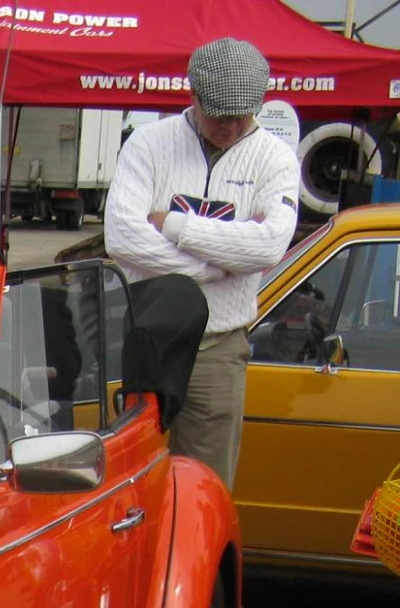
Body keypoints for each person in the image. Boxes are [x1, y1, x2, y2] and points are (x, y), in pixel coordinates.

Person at [102, 37, 299, 488]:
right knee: (132, 482)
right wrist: (219, 264)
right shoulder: (149, 144)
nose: (230, 125)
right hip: (144, 343)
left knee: (206, 485)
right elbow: (123, 238)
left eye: (241, 114)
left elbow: (268, 247)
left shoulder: (275, 158)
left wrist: (174, 224)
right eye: (218, 114)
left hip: (219, 345)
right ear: (193, 95)